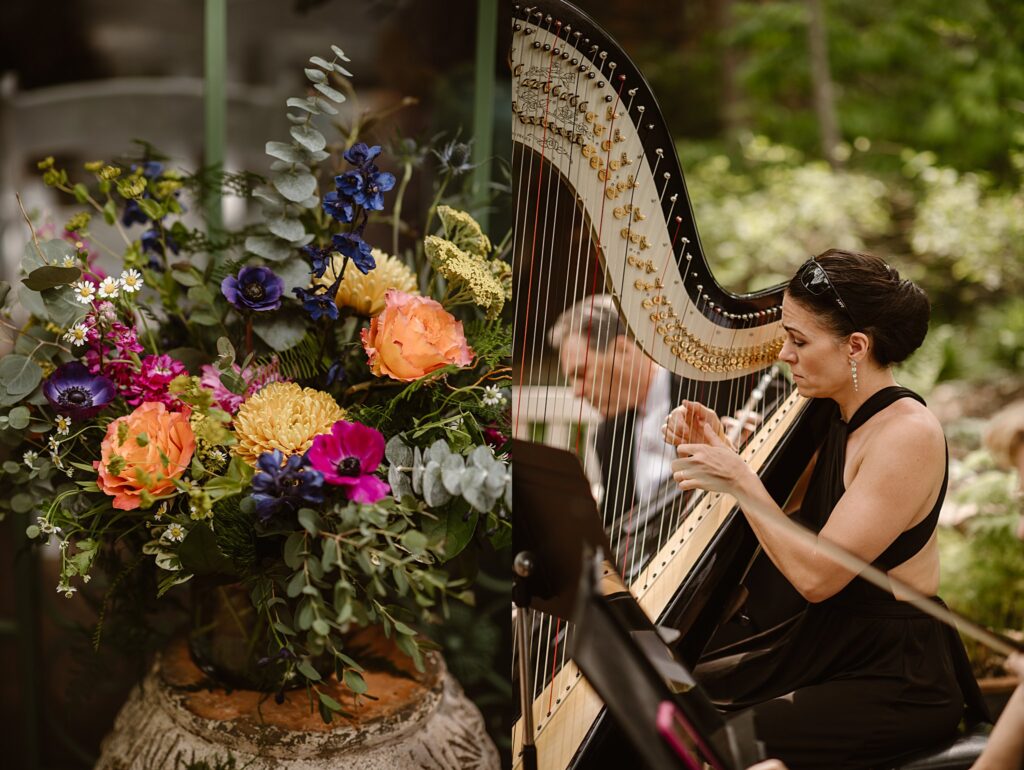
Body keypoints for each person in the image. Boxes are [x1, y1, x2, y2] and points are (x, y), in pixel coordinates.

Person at [663, 249, 989, 769]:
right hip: (821, 646)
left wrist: (739, 478)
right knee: (663, 697)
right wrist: (718, 449)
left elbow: (817, 577)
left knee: (712, 741)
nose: (783, 354)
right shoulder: (832, 415)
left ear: (856, 346)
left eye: (798, 341)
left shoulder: (906, 433)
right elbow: (776, 513)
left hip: (891, 675)